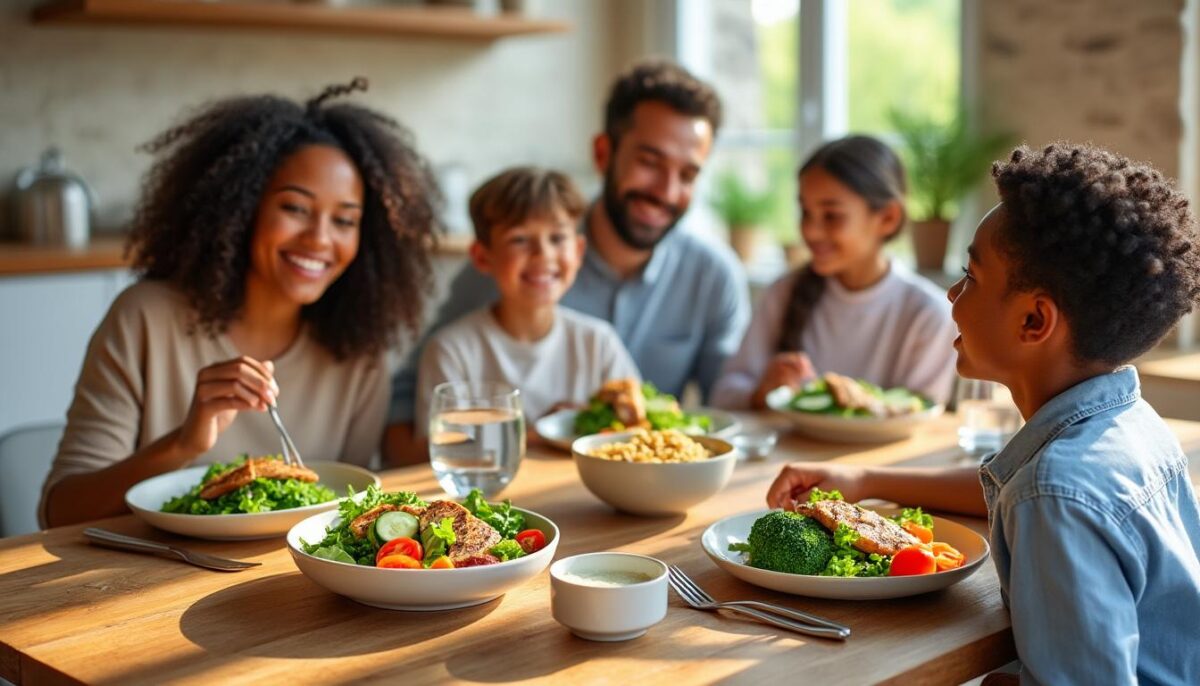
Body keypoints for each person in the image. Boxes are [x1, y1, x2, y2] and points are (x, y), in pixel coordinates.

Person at [766, 143, 1200, 685]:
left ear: (1034, 321)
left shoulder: (1053, 495)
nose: (951, 293)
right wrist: (864, 478)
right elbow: (1008, 484)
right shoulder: (1125, 428)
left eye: (971, 277)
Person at [40, 78, 441, 527]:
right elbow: (59, 512)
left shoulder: (359, 350)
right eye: (295, 209)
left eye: (345, 220)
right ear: (241, 208)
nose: (320, 239)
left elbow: (342, 516)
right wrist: (185, 444)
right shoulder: (145, 319)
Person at [385, 60, 750, 464]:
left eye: (687, 174)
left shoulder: (714, 276)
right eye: (650, 162)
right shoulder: (504, 270)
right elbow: (412, 408)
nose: (666, 190)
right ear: (603, 153)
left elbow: (727, 406)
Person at [711, 135, 957, 410]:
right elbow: (724, 394)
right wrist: (761, 392)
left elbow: (917, 417)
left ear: (888, 218)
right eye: (805, 212)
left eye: (832, 216)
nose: (810, 231)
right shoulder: (784, 293)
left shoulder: (927, 313)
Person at [414, 167, 639, 432]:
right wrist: (539, 432)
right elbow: (444, 450)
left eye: (557, 238)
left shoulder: (599, 344)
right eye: (519, 240)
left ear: (578, 252)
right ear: (482, 257)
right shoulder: (453, 351)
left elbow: (635, 431)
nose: (543, 255)